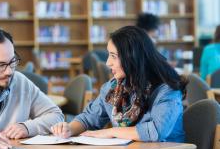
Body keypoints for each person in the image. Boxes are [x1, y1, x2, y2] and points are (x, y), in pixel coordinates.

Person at [51, 26, 187, 142]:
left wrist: (111, 132)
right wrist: (69, 129)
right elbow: (89, 118)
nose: (107, 63)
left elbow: (156, 131)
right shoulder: (114, 87)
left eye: (113, 56)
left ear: (132, 57)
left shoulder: (167, 90)